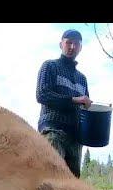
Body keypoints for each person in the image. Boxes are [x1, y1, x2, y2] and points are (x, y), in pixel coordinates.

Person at [36, 29, 92, 177]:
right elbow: (42, 95)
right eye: (68, 42)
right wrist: (74, 100)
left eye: (76, 44)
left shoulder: (82, 79)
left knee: (72, 185)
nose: (72, 47)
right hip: (52, 132)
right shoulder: (50, 66)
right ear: (61, 44)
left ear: (80, 48)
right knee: (51, 178)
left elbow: (85, 110)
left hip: (75, 138)